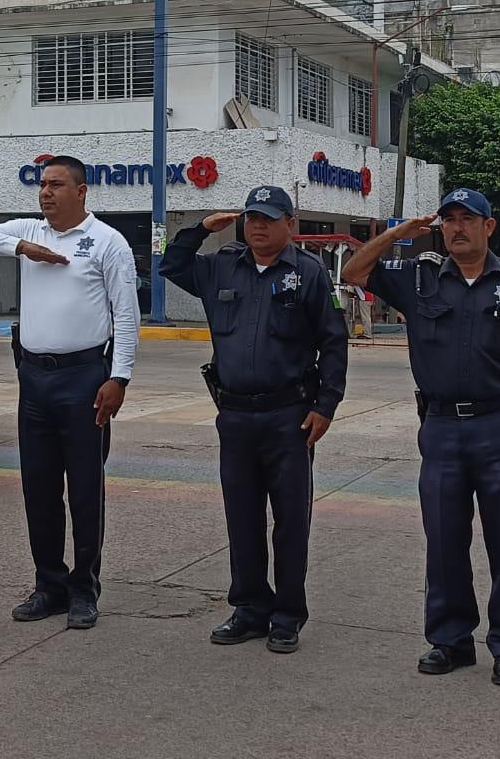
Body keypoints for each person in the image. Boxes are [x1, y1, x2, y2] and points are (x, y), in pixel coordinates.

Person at [342, 188, 500, 688]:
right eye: (449, 220)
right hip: (441, 429)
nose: (458, 228)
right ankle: (450, 641)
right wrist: (398, 233)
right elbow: (352, 273)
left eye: (469, 219)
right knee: (444, 538)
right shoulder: (419, 275)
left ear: (489, 227)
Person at [159, 185, 347, 655]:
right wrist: (201, 228)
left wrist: (325, 406)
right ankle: (248, 608)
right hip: (236, 415)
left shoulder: (307, 273)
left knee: (289, 521)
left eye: (268, 218)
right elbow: (171, 265)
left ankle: (287, 615)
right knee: (241, 517)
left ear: (289, 223)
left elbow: (334, 342)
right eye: (251, 218)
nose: (258, 226)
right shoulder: (222, 265)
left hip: (289, 416)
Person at [0, 154, 139, 630]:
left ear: (81, 191)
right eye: (42, 185)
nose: (46, 193)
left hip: (84, 377)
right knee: (38, 487)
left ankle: (84, 589)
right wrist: (22, 247)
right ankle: (49, 585)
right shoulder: (31, 232)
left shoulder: (107, 243)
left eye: (57, 185)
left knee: (84, 488)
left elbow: (127, 317)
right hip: (34, 379)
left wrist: (117, 379)